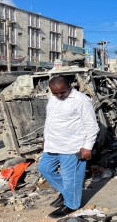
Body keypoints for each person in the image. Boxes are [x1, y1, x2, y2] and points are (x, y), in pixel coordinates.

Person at [38, 76, 99, 219]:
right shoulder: (52, 97)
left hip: (73, 146)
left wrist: (87, 147)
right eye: (56, 93)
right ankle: (67, 192)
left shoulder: (81, 100)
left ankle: (72, 204)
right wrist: (46, 138)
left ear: (70, 87)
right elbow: (51, 119)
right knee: (45, 168)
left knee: (70, 177)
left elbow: (92, 126)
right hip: (53, 144)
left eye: (63, 92)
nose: (59, 96)